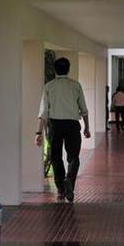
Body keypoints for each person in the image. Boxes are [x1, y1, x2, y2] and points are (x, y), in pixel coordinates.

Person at [35, 57, 91, 203]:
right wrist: (87, 127)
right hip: (72, 125)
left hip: (55, 125)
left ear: (55, 70)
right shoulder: (75, 85)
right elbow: (84, 109)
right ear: (68, 69)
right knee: (73, 156)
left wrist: (38, 132)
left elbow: (43, 112)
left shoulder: (49, 86)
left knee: (56, 157)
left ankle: (61, 189)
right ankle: (69, 181)